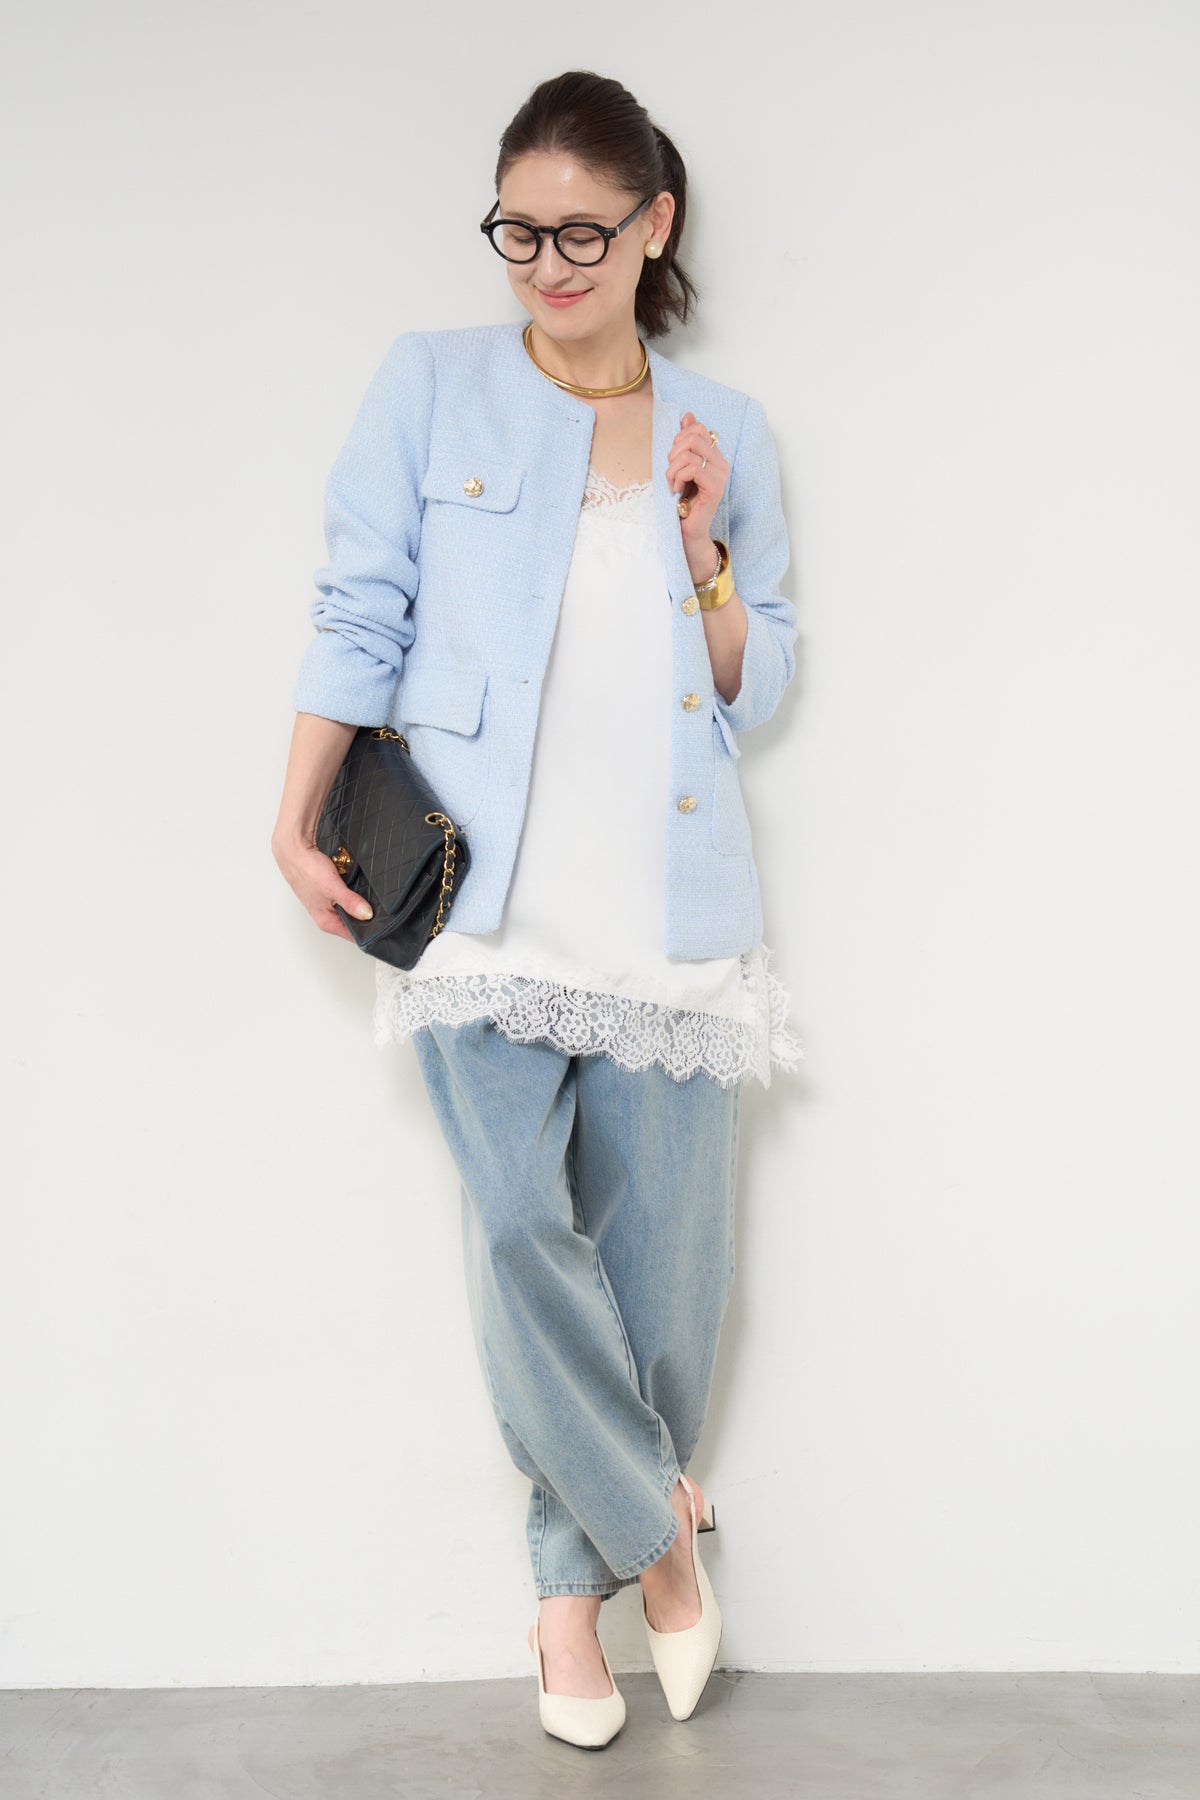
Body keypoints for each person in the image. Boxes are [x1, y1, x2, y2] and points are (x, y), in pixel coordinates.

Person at [272, 69, 803, 1748]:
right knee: (517, 1225)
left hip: (669, 901)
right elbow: (360, 608)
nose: (550, 265)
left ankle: (565, 1606)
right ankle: (663, 1539)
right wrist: (292, 811)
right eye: (520, 232)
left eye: (585, 233)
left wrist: (706, 553)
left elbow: (761, 682)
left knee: (664, 1274)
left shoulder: (727, 430)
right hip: (477, 901)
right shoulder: (431, 386)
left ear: (654, 225)